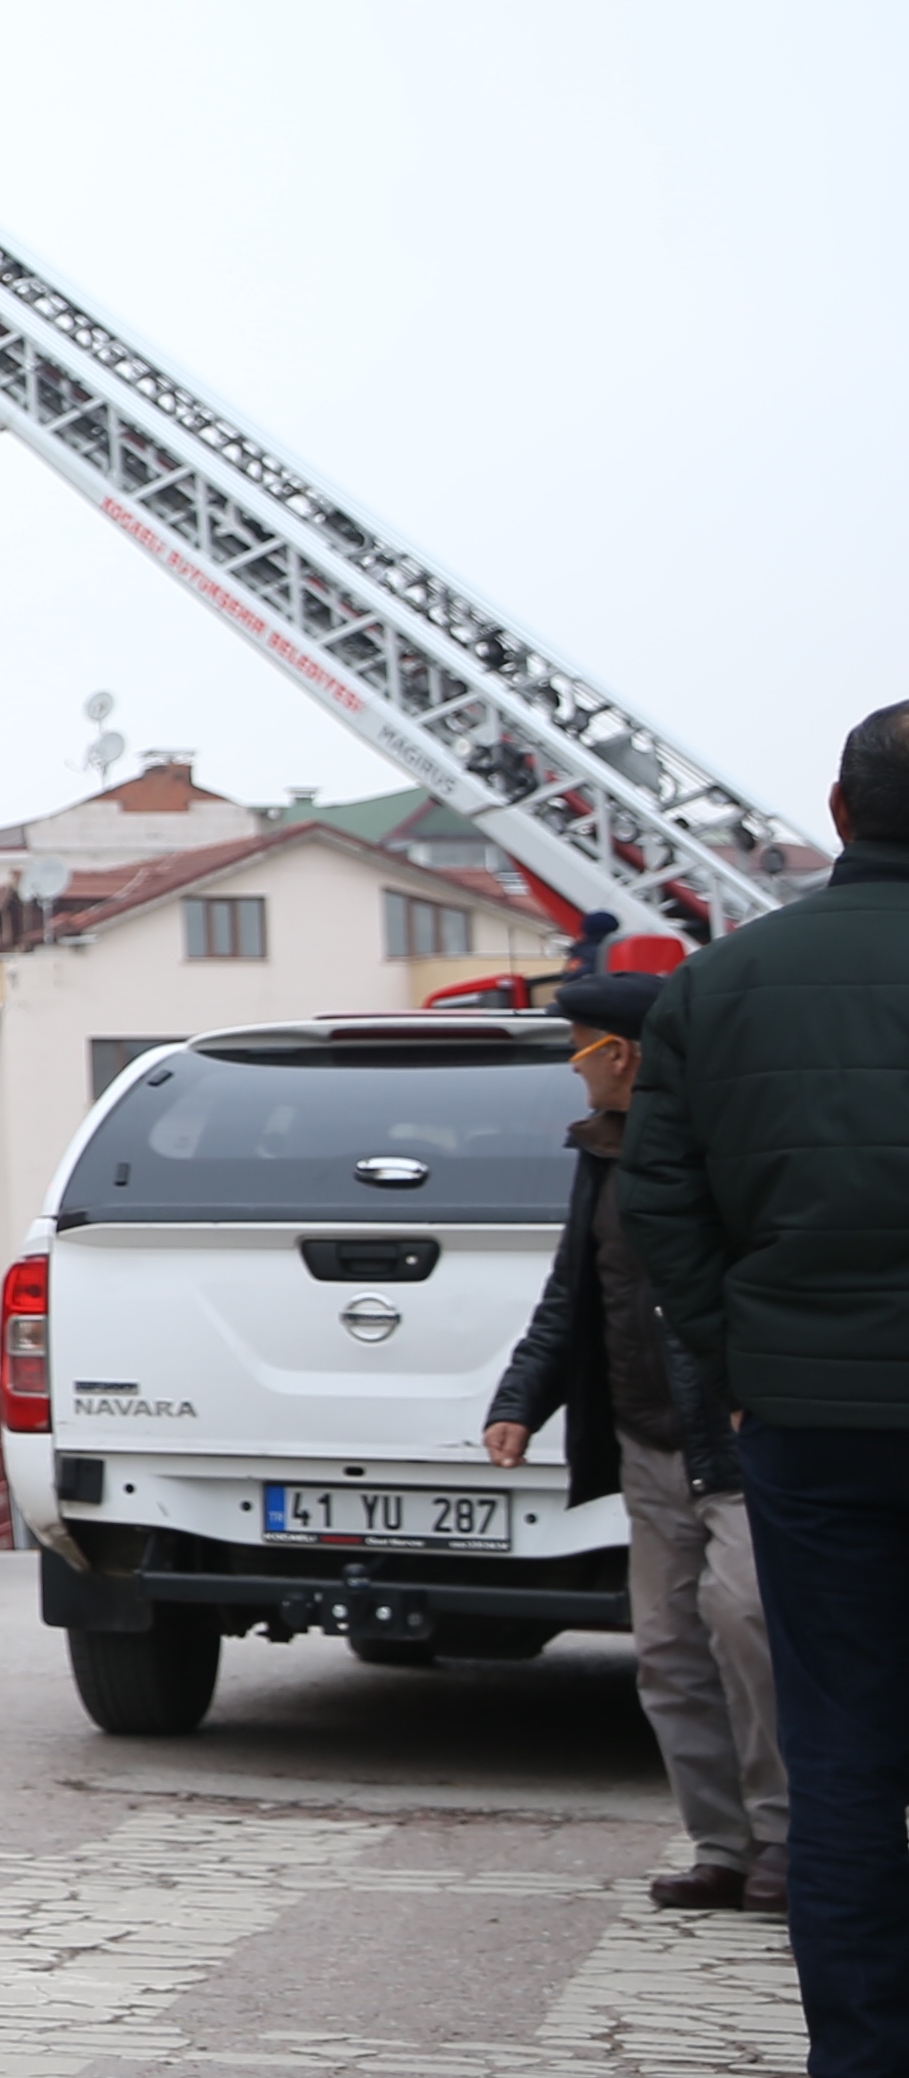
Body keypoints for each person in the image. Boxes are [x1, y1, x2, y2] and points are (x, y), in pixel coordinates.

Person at [630, 699, 909, 2059]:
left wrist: (738, 1354)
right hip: (808, 1394)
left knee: (845, 1748)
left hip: (814, 1417)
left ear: (840, 812)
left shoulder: (722, 983)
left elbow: (663, 1205)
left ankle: (860, 2050)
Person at [487, 971, 784, 1911]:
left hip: (731, 1441)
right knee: (666, 1649)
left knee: (751, 1632)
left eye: (577, 1049)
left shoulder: (726, 1146)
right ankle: (721, 1846)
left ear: (620, 1055)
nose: (572, 1071)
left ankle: (787, 1840)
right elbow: (573, 1293)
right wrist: (519, 1400)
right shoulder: (598, 1154)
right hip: (644, 1436)